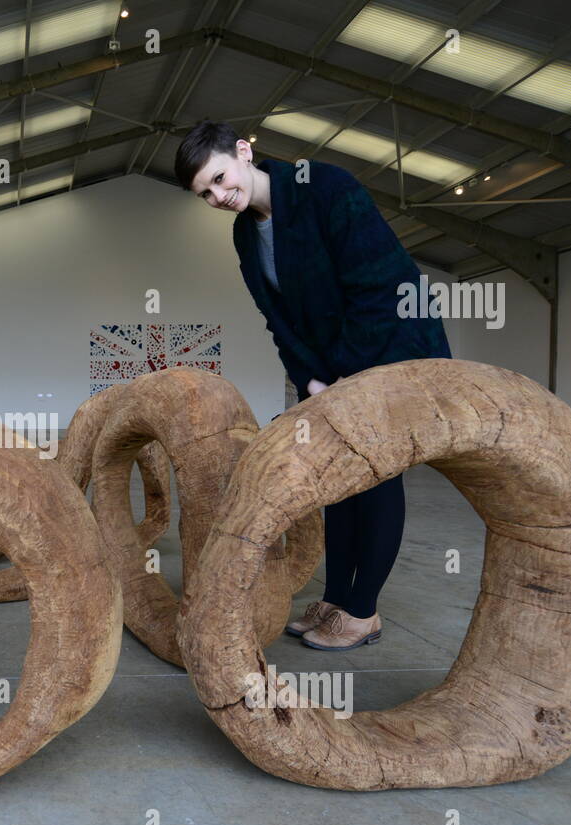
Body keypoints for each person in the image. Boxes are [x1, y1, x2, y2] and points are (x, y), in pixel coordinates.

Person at [174, 120, 451, 651]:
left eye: (220, 177)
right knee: (339, 482)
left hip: (392, 351)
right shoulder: (244, 233)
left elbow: (380, 288)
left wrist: (345, 374)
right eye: (204, 193)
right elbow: (279, 320)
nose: (218, 195)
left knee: (374, 478)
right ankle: (336, 597)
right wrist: (311, 380)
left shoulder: (326, 186)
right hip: (331, 373)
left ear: (244, 151)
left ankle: (364, 610)